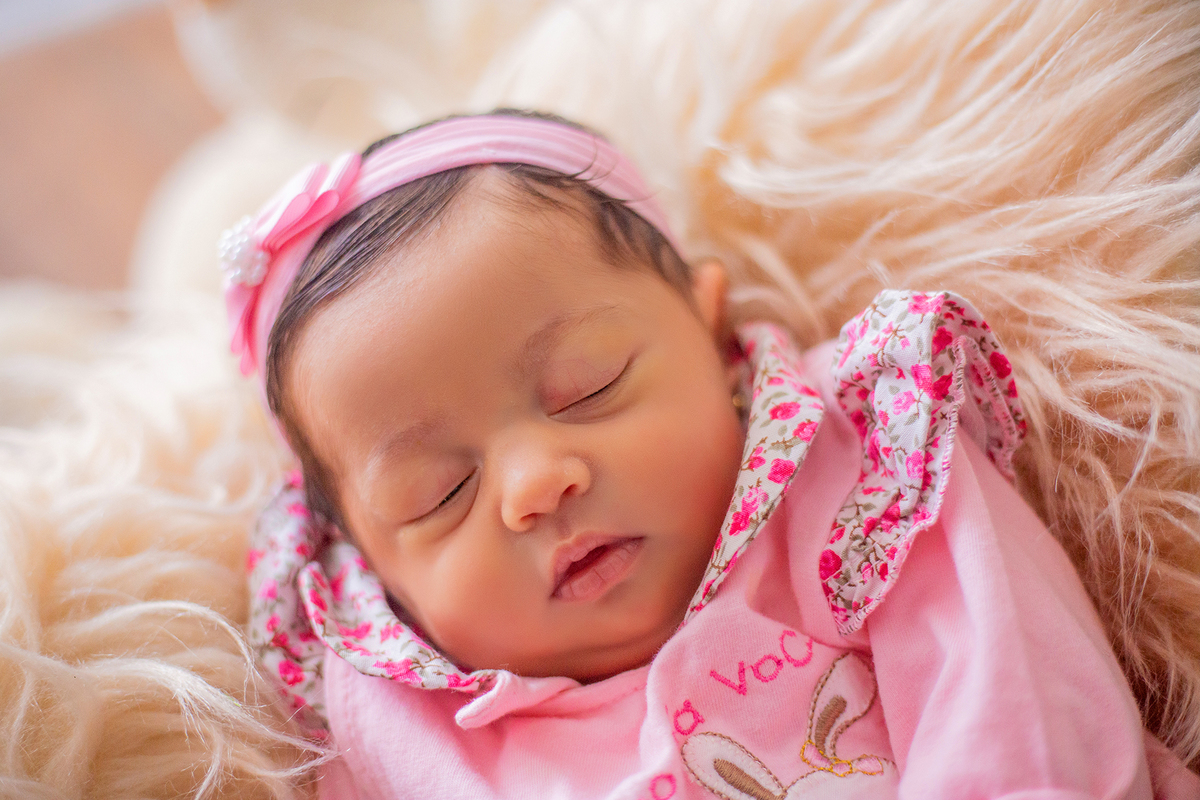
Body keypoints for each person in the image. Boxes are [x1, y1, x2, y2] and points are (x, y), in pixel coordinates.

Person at [224, 110, 1199, 798]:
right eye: (438, 492)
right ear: (366, 562)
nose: (535, 485)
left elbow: (1014, 694)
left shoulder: (858, 470)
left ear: (708, 326)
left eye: (588, 386)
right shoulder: (389, 716)